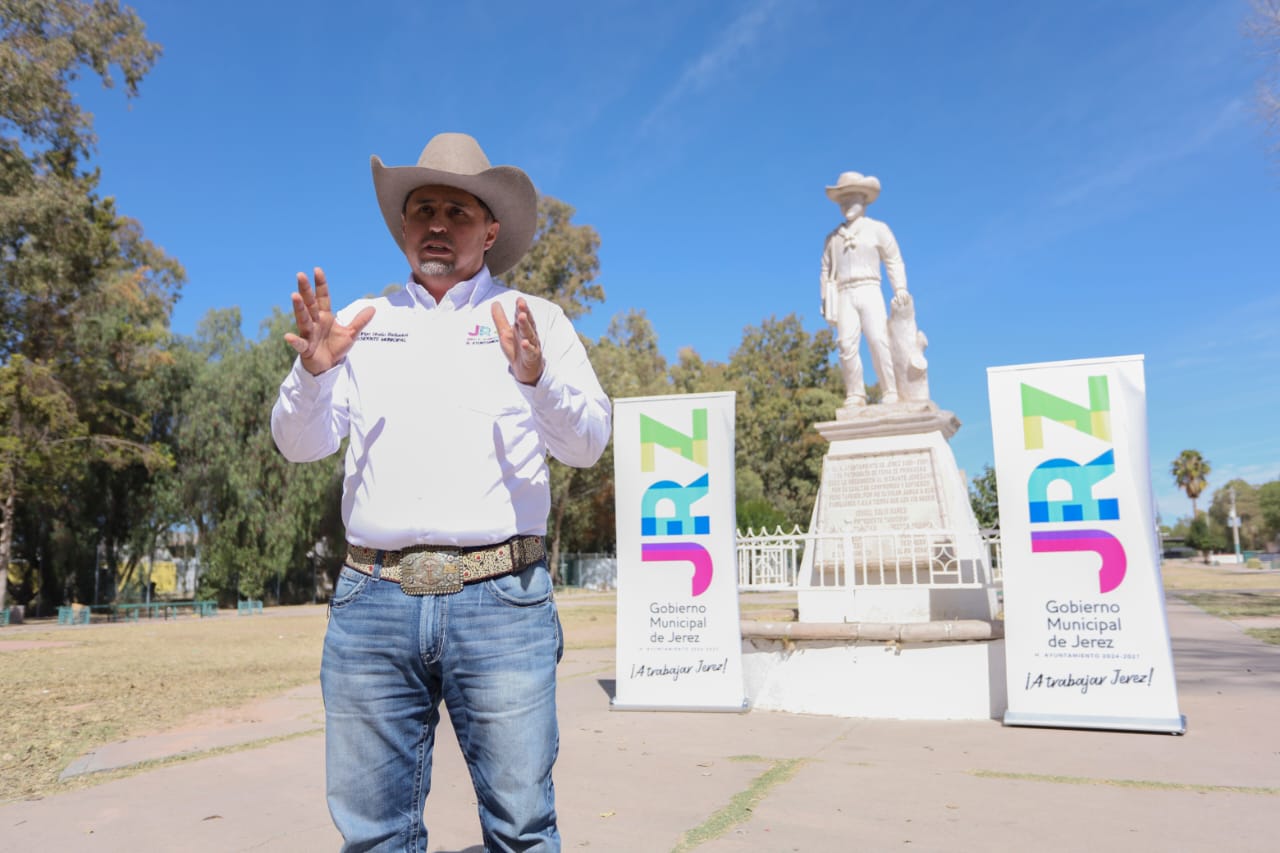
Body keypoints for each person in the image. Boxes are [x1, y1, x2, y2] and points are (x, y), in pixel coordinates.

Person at [271, 132, 611, 852]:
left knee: (522, 828)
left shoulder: (535, 320)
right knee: (373, 835)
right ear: (402, 225)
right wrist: (314, 374)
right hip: (372, 604)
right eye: (423, 209)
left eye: (458, 212)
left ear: (489, 231)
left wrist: (536, 380)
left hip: (503, 601)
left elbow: (587, 444)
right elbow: (299, 443)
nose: (437, 224)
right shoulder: (360, 324)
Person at [819, 171, 910, 407]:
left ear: (864, 200)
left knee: (878, 339)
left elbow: (893, 260)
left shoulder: (878, 229)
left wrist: (900, 287)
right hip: (844, 293)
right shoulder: (832, 238)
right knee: (845, 344)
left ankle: (890, 389)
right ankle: (855, 393)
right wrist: (826, 300)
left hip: (869, 287)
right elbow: (825, 270)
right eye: (843, 200)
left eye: (852, 199)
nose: (846, 204)